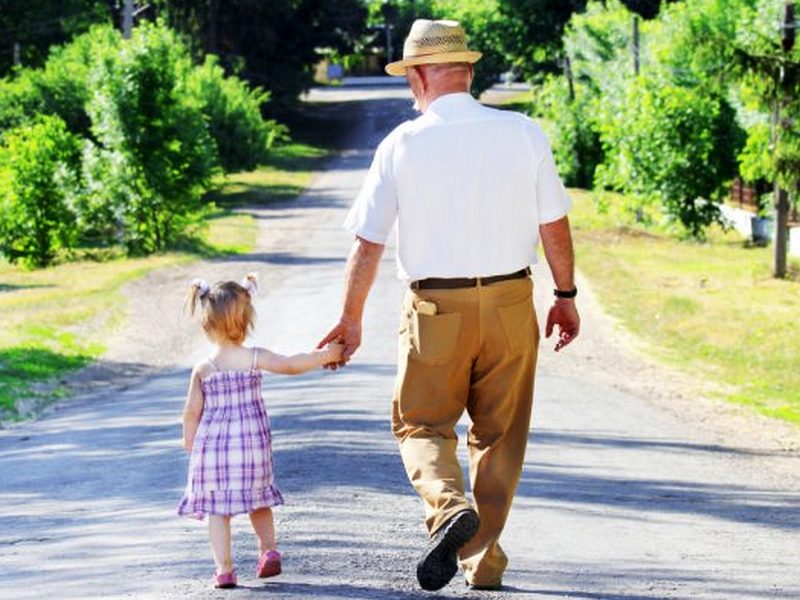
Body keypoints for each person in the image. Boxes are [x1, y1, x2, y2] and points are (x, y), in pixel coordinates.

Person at [318, 19, 580, 592]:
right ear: (467, 70)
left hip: (435, 307)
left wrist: (350, 319)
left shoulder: (402, 145)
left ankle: (447, 506)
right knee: (500, 433)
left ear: (418, 76)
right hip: (512, 299)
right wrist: (565, 295)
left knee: (421, 422)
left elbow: (368, 243)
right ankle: (481, 561)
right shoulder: (523, 132)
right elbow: (554, 223)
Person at [178, 273, 344, 589]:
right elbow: (293, 365)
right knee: (259, 501)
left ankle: (224, 570)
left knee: (218, 512)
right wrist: (326, 355)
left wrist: (190, 444)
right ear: (247, 321)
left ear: (206, 324)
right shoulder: (254, 358)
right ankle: (268, 550)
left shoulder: (204, 368)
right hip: (252, 448)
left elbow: (190, 413)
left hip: (214, 452)